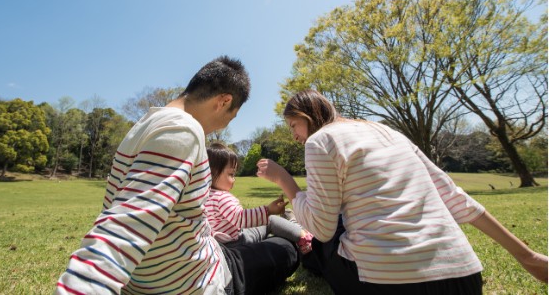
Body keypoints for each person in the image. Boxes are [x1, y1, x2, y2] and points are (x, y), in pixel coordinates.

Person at [256, 89, 548, 295]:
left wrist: (285, 181)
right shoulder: (389, 132)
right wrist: (528, 257)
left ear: (307, 115)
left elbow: (322, 228)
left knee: (321, 241)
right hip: (465, 278)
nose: (294, 135)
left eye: (294, 125)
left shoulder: (320, 141)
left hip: (389, 283)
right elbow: (455, 198)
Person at [56, 56, 298, 295]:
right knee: (286, 248)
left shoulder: (142, 127)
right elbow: (127, 223)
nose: (224, 125)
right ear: (224, 101)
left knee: (260, 240)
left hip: (172, 267)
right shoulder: (184, 130)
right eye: (230, 117)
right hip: (202, 280)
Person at [205, 142, 314, 254]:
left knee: (263, 223)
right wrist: (268, 210)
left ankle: (292, 222)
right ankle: (304, 237)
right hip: (238, 242)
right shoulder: (222, 197)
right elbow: (240, 218)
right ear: (212, 174)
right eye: (231, 174)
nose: (234, 179)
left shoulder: (204, 197)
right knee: (270, 220)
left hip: (222, 246)